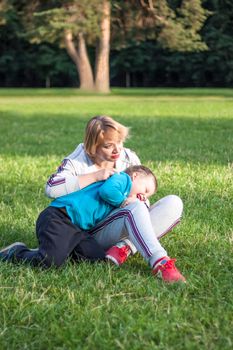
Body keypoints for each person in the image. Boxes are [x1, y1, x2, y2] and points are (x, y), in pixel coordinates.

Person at [45, 115, 185, 283]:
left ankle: (124, 248)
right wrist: (95, 176)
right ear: (92, 147)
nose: (117, 150)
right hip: (91, 228)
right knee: (136, 207)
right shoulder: (77, 160)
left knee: (173, 202)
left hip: (123, 220)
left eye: (119, 142)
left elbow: (141, 190)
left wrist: (140, 200)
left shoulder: (128, 157)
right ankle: (160, 262)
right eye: (108, 146)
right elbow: (51, 187)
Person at [0, 165, 157, 270]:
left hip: (77, 229)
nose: (143, 196)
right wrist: (124, 202)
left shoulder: (124, 195)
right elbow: (107, 192)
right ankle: (16, 252)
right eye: (146, 189)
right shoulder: (122, 179)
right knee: (50, 261)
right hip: (59, 216)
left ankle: (58, 247)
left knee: (96, 259)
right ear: (135, 176)